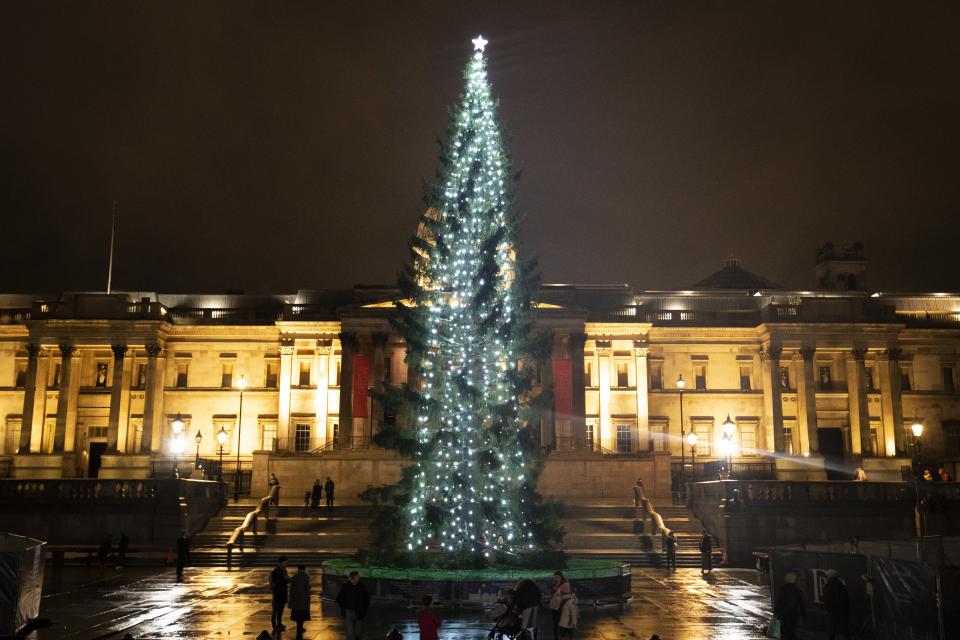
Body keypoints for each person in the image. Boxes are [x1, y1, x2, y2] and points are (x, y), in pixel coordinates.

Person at [336, 571, 370, 640]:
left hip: (359, 611)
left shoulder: (361, 586)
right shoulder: (345, 586)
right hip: (348, 610)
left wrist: (364, 608)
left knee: (358, 630)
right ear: (353, 578)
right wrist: (344, 608)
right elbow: (339, 599)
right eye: (357, 576)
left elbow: (367, 598)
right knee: (350, 631)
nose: (359, 578)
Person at [774, 571, 806, 640]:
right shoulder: (797, 590)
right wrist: (804, 615)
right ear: (794, 580)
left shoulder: (782, 589)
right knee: (792, 629)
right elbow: (801, 603)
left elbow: (779, 602)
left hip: (784, 613)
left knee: (785, 629)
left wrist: (775, 613)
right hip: (793, 613)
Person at [823, 569, 850, 640]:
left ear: (829, 576)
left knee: (832, 628)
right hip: (841, 610)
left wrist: (827, 608)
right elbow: (845, 597)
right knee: (845, 628)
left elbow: (826, 598)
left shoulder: (827, 585)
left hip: (832, 610)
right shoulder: (841, 584)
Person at [288, 564, 311, 637]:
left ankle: (299, 627)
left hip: (296, 600)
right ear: (304, 569)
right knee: (302, 615)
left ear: (298, 569)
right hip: (303, 600)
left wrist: (291, 599)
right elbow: (307, 588)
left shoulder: (295, 577)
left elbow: (291, 589)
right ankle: (300, 628)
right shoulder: (306, 577)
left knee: (297, 615)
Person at [548, 571, 571, 639]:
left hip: (562, 606)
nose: (555, 578)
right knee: (555, 622)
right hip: (555, 606)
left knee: (563, 623)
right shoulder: (554, 583)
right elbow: (552, 593)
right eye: (554, 577)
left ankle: (566, 636)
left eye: (556, 577)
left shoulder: (565, 584)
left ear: (560, 577)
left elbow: (567, 594)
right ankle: (556, 637)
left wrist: (558, 591)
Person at [270, 555, 290, 631]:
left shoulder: (284, 571)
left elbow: (286, 581)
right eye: (286, 562)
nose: (287, 563)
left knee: (281, 610)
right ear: (281, 562)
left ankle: (279, 623)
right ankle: (274, 626)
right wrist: (285, 579)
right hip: (277, 593)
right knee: (275, 610)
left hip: (283, 593)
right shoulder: (275, 572)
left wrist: (287, 579)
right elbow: (277, 582)